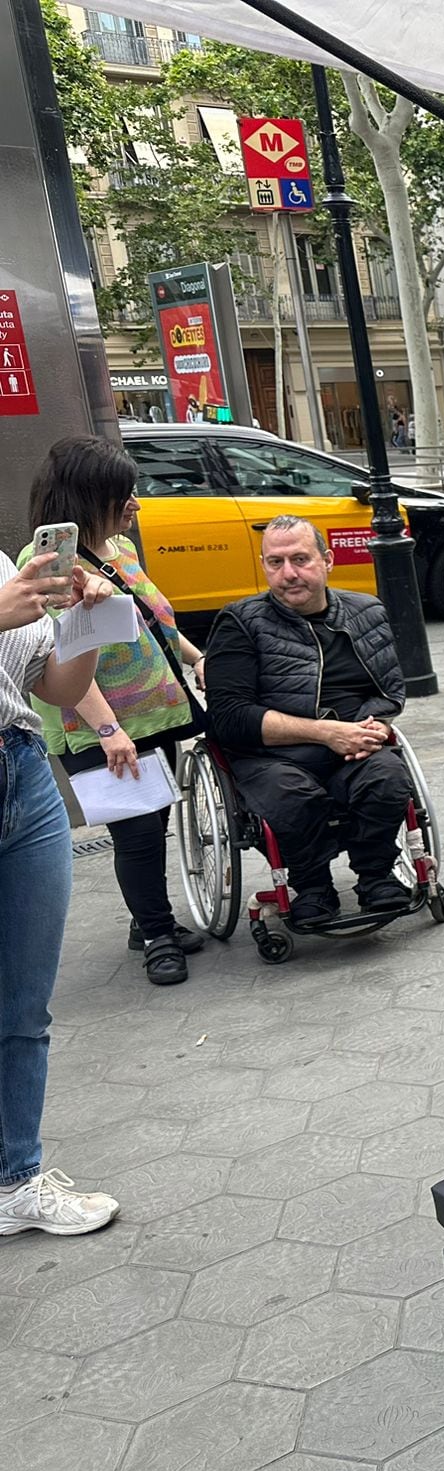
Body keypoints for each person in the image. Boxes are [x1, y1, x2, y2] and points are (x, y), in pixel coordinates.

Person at [23, 438, 209, 985]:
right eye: (123, 493)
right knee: (138, 835)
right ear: (90, 495)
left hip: (156, 711)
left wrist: (198, 658)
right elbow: (51, 654)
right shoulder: (50, 570)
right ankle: (157, 937)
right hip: (98, 727)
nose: (136, 503)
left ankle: (145, 918)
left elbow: (155, 625)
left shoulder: (118, 550)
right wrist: (109, 729)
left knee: (155, 820)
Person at [0, 497, 123, 1237]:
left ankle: (16, 1178)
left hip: (24, 774)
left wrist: (86, 622)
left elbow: (59, 689)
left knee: (24, 1005)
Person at [202, 515, 411, 925]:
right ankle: (313, 886)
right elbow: (228, 717)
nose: (288, 574)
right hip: (270, 757)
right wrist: (324, 733)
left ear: (328, 560)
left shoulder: (367, 612)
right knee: (290, 794)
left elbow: (388, 693)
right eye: (275, 563)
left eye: (300, 559)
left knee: (387, 776)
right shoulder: (240, 622)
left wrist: (375, 726)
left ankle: (376, 876)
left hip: (352, 747)